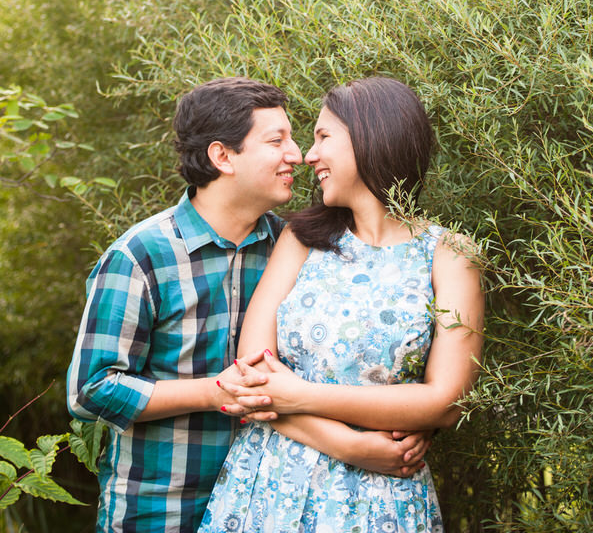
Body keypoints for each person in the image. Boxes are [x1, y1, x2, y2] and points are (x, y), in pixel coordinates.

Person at [67, 76, 429, 533]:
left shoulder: (293, 245)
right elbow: (90, 389)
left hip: (268, 498)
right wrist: (216, 392)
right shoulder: (141, 256)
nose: (296, 154)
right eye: (276, 140)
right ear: (222, 157)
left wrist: (400, 427)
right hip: (161, 508)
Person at [199, 76, 484, 533]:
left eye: (323, 137)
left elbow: (447, 401)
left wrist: (302, 396)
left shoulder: (450, 255)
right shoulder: (301, 239)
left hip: (383, 498)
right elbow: (252, 380)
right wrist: (350, 446)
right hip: (271, 485)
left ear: (371, 139)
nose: (308, 156)